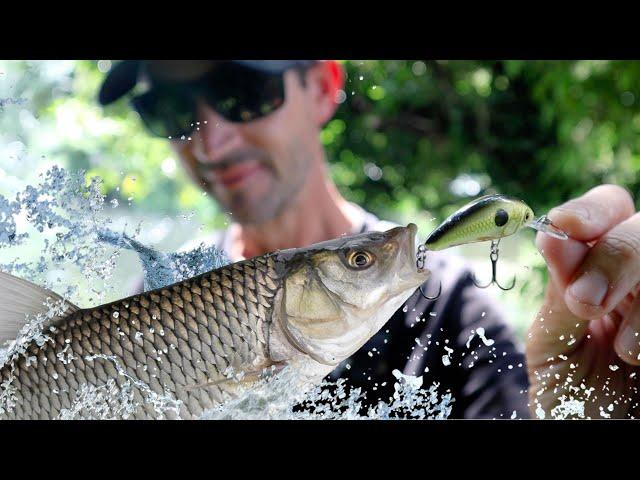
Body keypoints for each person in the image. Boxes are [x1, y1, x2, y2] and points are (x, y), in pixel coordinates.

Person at [97, 60, 640, 419]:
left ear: (324, 85)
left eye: (241, 93)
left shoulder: (453, 315)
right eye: (168, 110)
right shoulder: (153, 297)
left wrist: (578, 408)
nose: (210, 140)